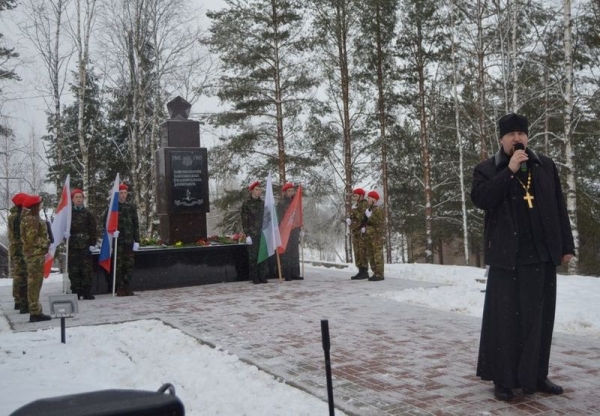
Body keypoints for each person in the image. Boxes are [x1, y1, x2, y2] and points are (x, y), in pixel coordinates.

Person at [471, 113, 575, 401]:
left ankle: (537, 375)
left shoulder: (545, 165)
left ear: (528, 137)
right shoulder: (487, 169)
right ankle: (504, 380)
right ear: (501, 139)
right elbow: (482, 199)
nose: (517, 139)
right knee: (506, 322)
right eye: (511, 134)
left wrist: (566, 244)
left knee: (539, 321)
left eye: (522, 133)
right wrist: (510, 171)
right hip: (507, 258)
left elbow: (558, 205)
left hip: (540, 256)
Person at [20, 194, 52, 322]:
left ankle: (35, 310)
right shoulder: (31, 219)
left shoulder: (30, 218)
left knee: (35, 283)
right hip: (34, 256)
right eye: (40, 203)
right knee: (34, 284)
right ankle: (35, 312)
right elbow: (32, 239)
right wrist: (46, 242)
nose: (42, 205)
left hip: (35, 255)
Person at [110, 183, 140, 296]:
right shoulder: (113, 207)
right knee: (119, 265)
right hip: (118, 241)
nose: (123, 195)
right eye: (121, 193)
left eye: (125, 193)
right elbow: (107, 223)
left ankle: (127, 286)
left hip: (129, 240)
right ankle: (120, 287)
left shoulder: (131, 207)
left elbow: (135, 224)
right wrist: (113, 232)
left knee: (129, 265)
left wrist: (137, 240)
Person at [68, 188, 98, 300]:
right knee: (74, 269)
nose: (78, 199)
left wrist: (92, 243)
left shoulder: (88, 213)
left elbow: (93, 229)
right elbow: (63, 227)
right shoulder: (69, 213)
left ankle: (86, 291)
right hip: (73, 246)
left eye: (80, 197)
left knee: (86, 269)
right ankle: (75, 290)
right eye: (76, 197)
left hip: (85, 245)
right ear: (72, 199)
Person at [241, 181, 268, 284]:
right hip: (252, 233)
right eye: (256, 189)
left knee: (262, 255)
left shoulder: (262, 203)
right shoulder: (246, 203)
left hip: (262, 232)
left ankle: (262, 275)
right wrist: (247, 234)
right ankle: (254, 276)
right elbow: (244, 219)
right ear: (252, 191)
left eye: (260, 189)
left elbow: (266, 217)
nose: (259, 191)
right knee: (253, 256)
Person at [277, 182, 303, 281]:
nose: (291, 192)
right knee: (287, 252)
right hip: (286, 231)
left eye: (292, 191)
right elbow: (280, 218)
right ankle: (287, 273)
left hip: (294, 230)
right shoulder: (281, 203)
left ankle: (295, 273)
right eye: (289, 191)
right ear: (284, 192)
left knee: (294, 252)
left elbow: (297, 216)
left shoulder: (295, 202)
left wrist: (299, 228)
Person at [8, 192, 29, 314]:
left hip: (16, 248)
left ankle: (17, 299)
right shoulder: (19, 217)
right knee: (22, 275)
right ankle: (21, 300)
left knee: (18, 275)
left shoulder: (13, 215)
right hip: (21, 248)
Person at [346, 188, 368, 279]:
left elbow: (362, 217)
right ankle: (360, 270)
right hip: (356, 231)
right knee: (357, 252)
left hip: (361, 231)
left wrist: (354, 211)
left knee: (362, 251)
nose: (354, 198)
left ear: (361, 196)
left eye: (356, 196)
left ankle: (364, 271)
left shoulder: (364, 204)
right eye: (354, 196)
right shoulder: (357, 205)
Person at [363, 191, 385, 281]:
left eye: (369, 198)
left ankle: (379, 274)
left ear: (374, 200)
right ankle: (375, 272)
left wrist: (369, 217)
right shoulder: (369, 210)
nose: (367, 200)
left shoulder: (378, 210)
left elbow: (377, 222)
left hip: (376, 237)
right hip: (369, 236)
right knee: (371, 255)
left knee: (377, 255)